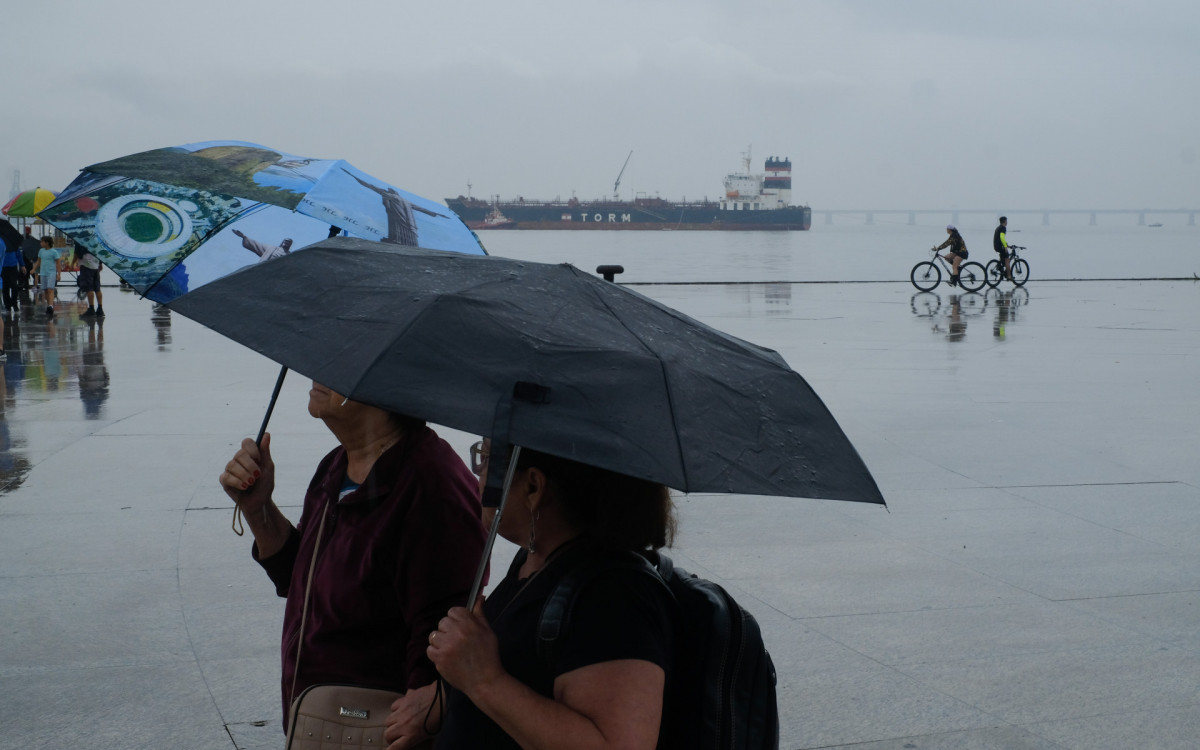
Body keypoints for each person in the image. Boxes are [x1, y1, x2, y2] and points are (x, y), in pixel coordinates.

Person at [218, 383, 488, 729]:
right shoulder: (336, 465)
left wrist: (421, 720)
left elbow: (439, 639)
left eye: (341, 365)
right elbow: (300, 578)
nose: (317, 373)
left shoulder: (430, 486)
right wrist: (258, 510)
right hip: (318, 724)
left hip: (373, 731)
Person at [386, 439, 676, 750]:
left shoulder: (615, 596)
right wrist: (449, 696)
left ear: (533, 487)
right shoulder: (534, 562)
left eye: (484, 458)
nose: (479, 474)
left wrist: (484, 681)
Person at [30, 236, 61, 316]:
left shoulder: (54, 252)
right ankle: (49, 306)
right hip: (43, 273)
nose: (40, 243)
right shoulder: (41, 251)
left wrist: (59, 274)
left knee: (50, 289)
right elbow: (38, 261)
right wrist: (34, 269)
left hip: (51, 273)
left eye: (42, 242)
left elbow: (58, 263)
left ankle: (50, 306)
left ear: (47, 242)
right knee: (46, 290)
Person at [73, 242, 105, 318]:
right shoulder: (94, 237)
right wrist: (100, 263)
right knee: (97, 288)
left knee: (89, 288)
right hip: (95, 262)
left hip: (86, 264)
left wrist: (72, 263)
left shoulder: (79, 237)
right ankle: (100, 309)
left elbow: (77, 253)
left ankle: (91, 309)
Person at [1, 231, 25, 314]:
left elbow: (18, 254)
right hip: (2, 267)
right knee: (5, 287)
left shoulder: (13, 242)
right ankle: (7, 305)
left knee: (14, 285)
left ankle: (14, 303)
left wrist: (22, 265)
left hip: (13, 267)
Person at [993, 216, 1012, 281]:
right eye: (1006, 221)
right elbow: (1002, 238)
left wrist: (1007, 245)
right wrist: (1005, 247)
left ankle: (999, 267)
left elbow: (1000, 239)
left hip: (996, 246)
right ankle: (1009, 276)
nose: (1007, 222)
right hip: (1000, 246)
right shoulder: (1003, 228)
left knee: (1003, 258)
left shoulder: (998, 228)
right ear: (1004, 221)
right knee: (1007, 259)